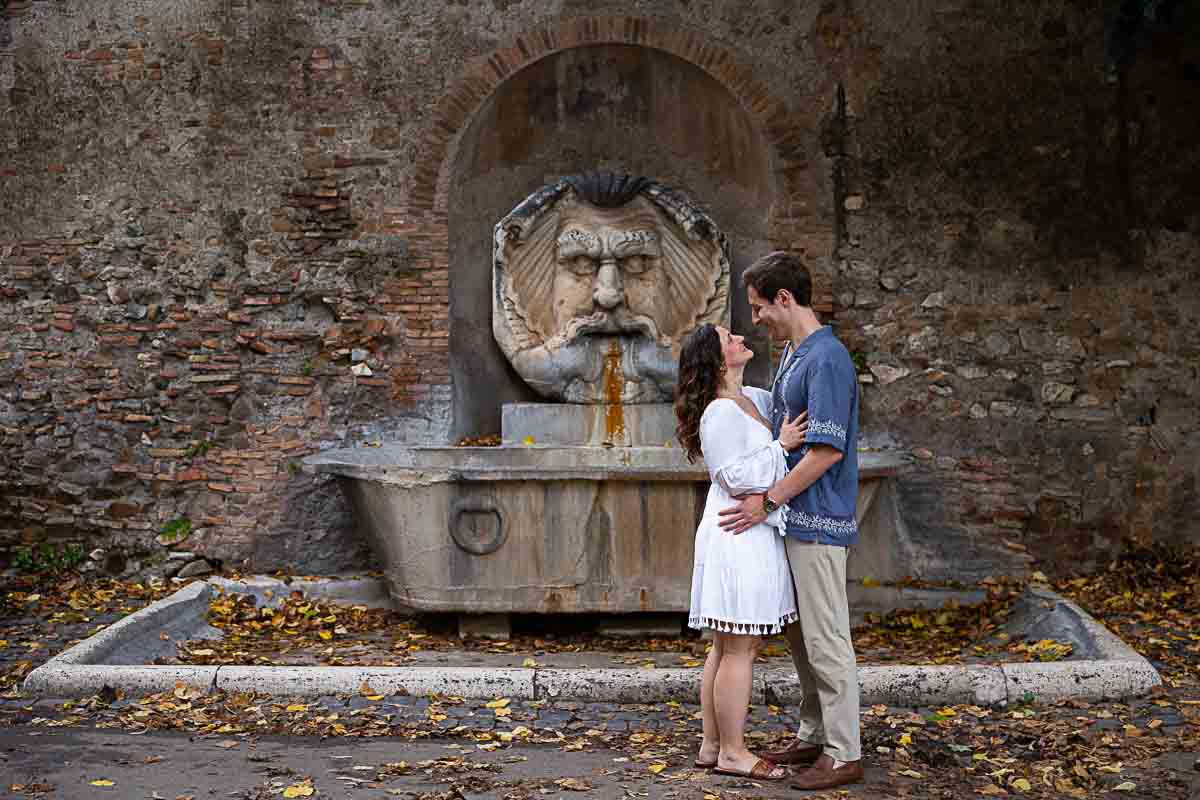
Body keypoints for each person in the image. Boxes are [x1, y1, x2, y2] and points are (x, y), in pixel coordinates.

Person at [718, 251, 865, 790]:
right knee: (803, 641)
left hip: (818, 519)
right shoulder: (792, 354)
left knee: (827, 638)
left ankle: (845, 752)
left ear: (785, 298)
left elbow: (826, 451)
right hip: (794, 520)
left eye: (759, 307)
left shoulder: (827, 358)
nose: (754, 318)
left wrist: (767, 501)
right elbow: (782, 429)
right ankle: (814, 735)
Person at [674, 323, 808, 782]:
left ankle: (712, 745)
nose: (739, 339)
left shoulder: (753, 397)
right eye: (728, 338)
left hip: (749, 527)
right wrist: (782, 447)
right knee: (739, 646)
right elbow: (731, 475)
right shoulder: (719, 413)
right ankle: (733, 751)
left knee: (726, 644)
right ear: (716, 358)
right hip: (738, 532)